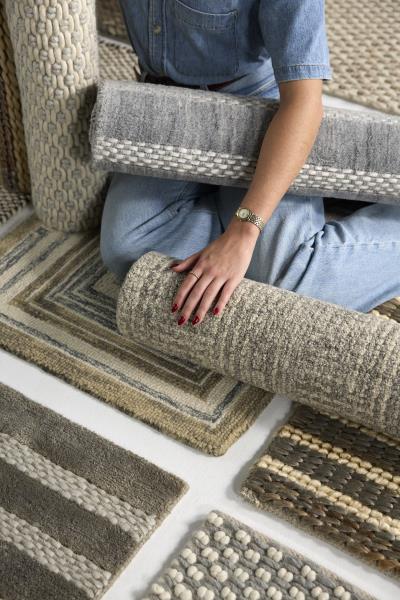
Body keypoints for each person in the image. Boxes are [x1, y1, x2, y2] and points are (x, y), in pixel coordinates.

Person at [100, 0, 400, 326]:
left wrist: (244, 230)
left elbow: (304, 103)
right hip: (163, 104)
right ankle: (240, 217)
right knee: (129, 253)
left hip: (255, 109)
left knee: (285, 288)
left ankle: (258, 225)